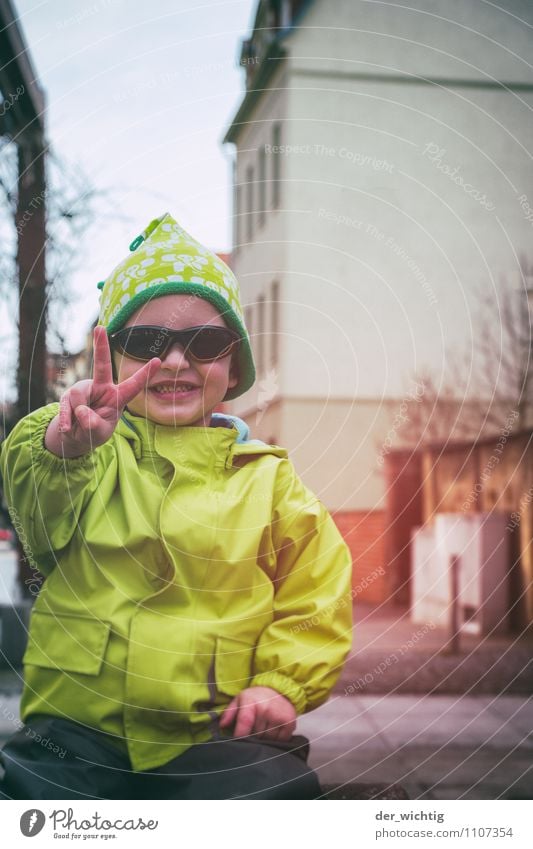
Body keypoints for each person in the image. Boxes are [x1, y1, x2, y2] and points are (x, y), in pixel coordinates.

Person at [0, 213, 352, 800]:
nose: (176, 362)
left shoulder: (268, 482)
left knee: (276, 798)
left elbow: (317, 591)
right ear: (110, 358)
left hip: (220, 734)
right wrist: (64, 447)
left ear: (234, 366)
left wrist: (280, 684)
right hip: (78, 735)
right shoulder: (89, 452)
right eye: (146, 343)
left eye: (206, 342)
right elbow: (38, 514)